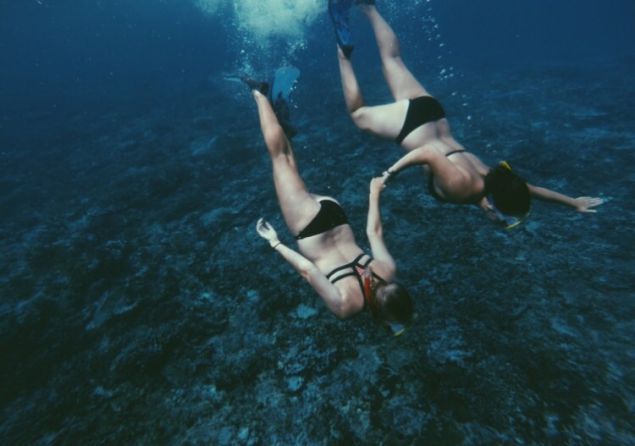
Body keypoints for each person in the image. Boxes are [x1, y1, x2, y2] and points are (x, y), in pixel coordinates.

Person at [329, 0, 604, 229]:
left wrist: (573, 202)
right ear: (495, 203)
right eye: (504, 217)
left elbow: (534, 190)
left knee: (394, 60)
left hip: (433, 113)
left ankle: (368, 7)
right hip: (412, 127)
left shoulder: (500, 179)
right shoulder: (463, 189)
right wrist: (389, 175)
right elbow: (427, 154)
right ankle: (343, 52)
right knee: (358, 114)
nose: (500, 220)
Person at [246, 79, 413, 334]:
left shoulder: (388, 271)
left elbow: (374, 232)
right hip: (309, 226)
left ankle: (282, 124)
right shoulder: (348, 306)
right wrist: (275, 242)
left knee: (289, 165)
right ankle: (258, 92)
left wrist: (374, 193)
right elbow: (308, 270)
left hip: (335, 213)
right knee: (279, 158)